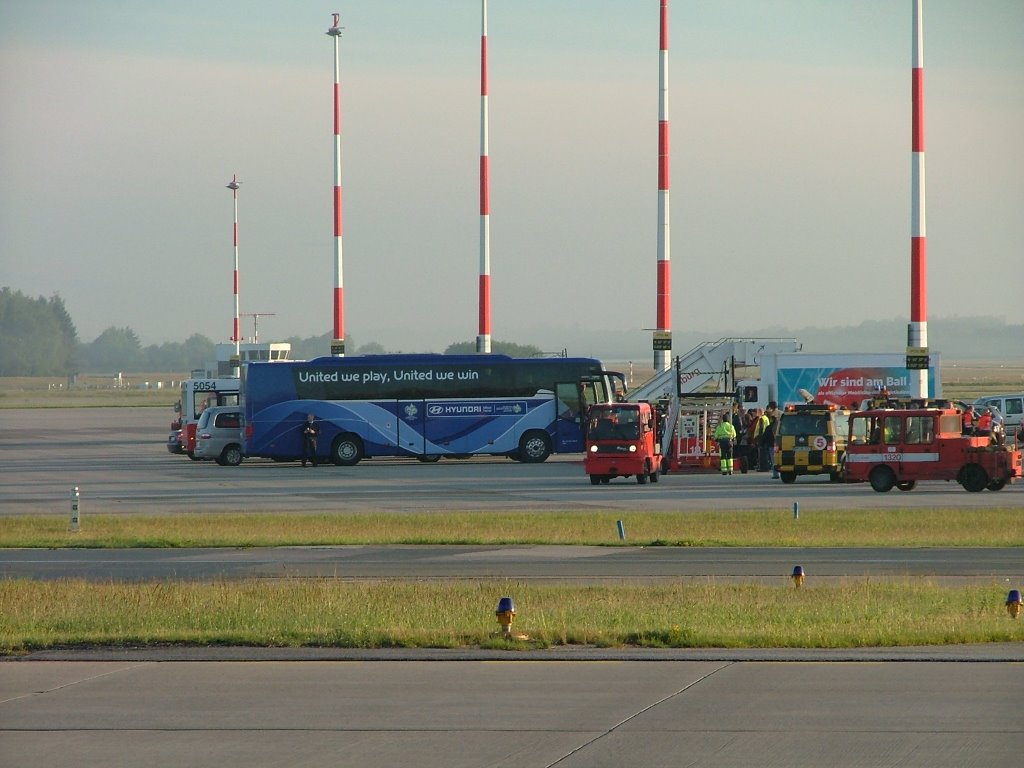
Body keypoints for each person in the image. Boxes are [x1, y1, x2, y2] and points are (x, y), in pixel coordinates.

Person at [713, 411, 737, 475]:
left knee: (723, 456)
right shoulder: (731, 426)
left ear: (723, 419)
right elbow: (734, 435)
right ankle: (730, 470)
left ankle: (724, 470)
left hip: (722, 442)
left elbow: (715, 436)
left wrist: (717, 440)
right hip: (729, 442)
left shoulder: (719, 427)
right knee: (730, 456)